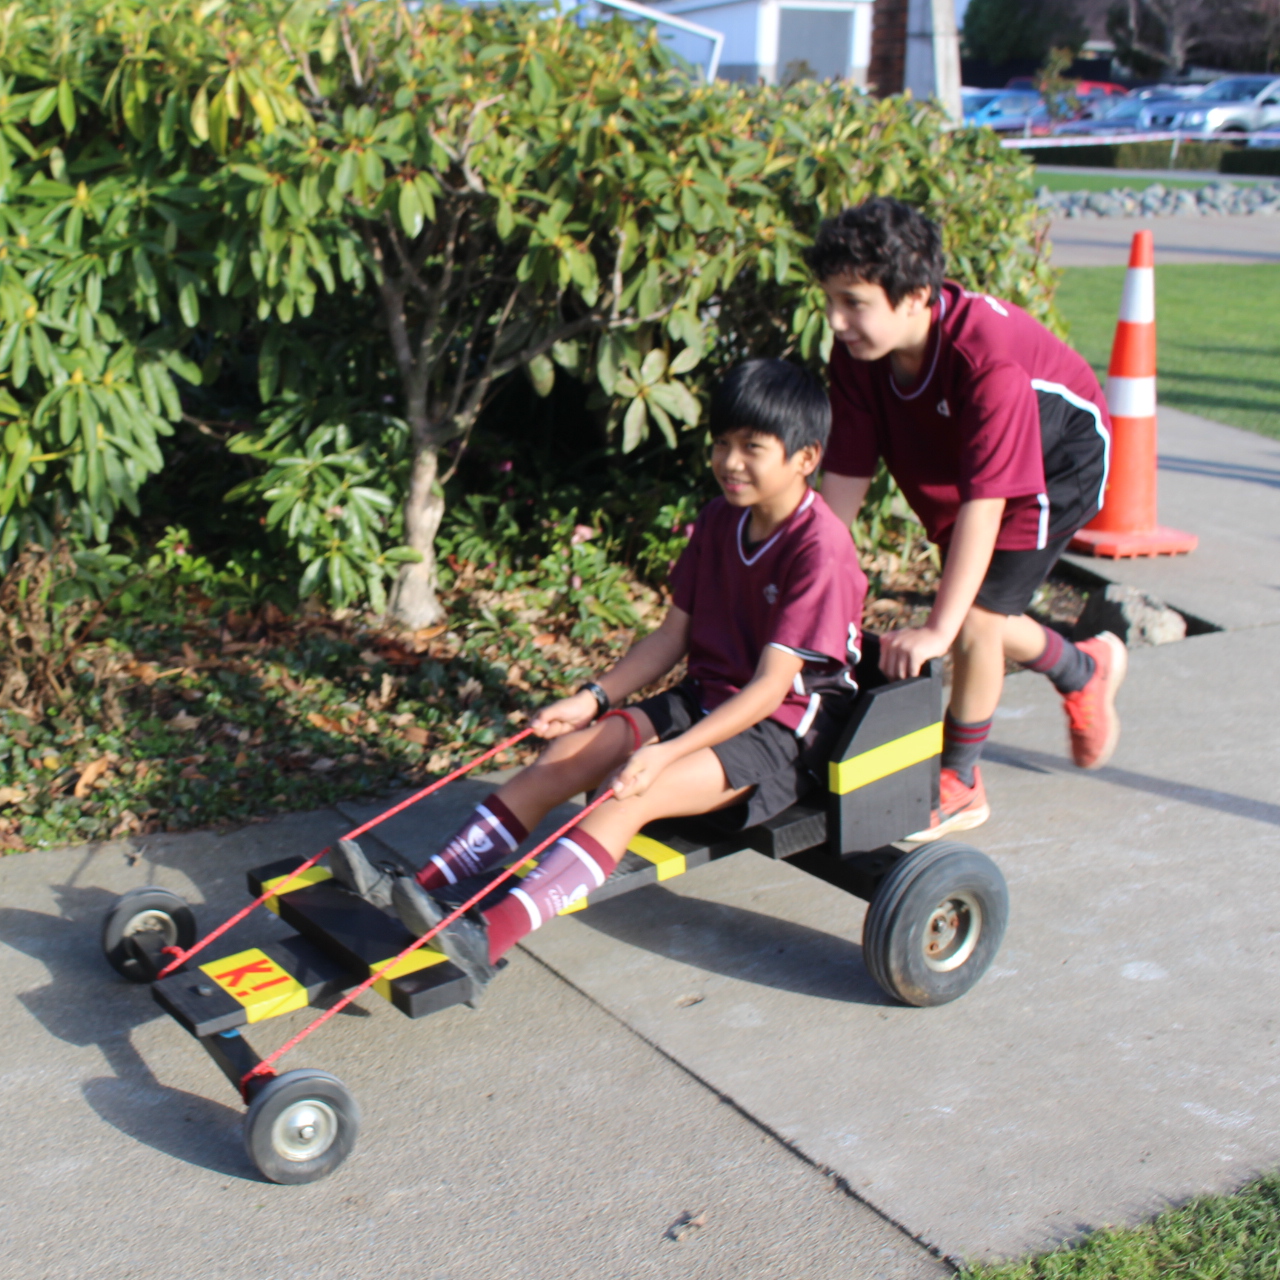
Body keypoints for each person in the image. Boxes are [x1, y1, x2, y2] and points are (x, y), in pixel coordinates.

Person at [331, 359, 868, 994]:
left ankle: (486, 941)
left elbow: (770, 691)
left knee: (627, 791)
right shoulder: (721, 518)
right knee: (566, 754)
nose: (730, 461)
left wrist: (662, 755)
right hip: (706, 697)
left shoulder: (820, 548)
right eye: (722, 443)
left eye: (753, 447)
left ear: (806, 458)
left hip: (778, 734)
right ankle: (418, 888)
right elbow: (672, 636)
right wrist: (591, 700)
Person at [806, 197, 1125, 843]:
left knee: (975, 619)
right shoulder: (861, 355)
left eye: (854, 302)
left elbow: (987, 508)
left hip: (1058, 464)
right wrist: (810, 580)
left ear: (916, 295)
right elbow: (844, 475)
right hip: (967, 462)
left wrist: (937, 630)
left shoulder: (988, 361)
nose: (837, 320)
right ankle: (1081, 669)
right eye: (830, 300)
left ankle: (961, 781)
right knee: (983, 614)